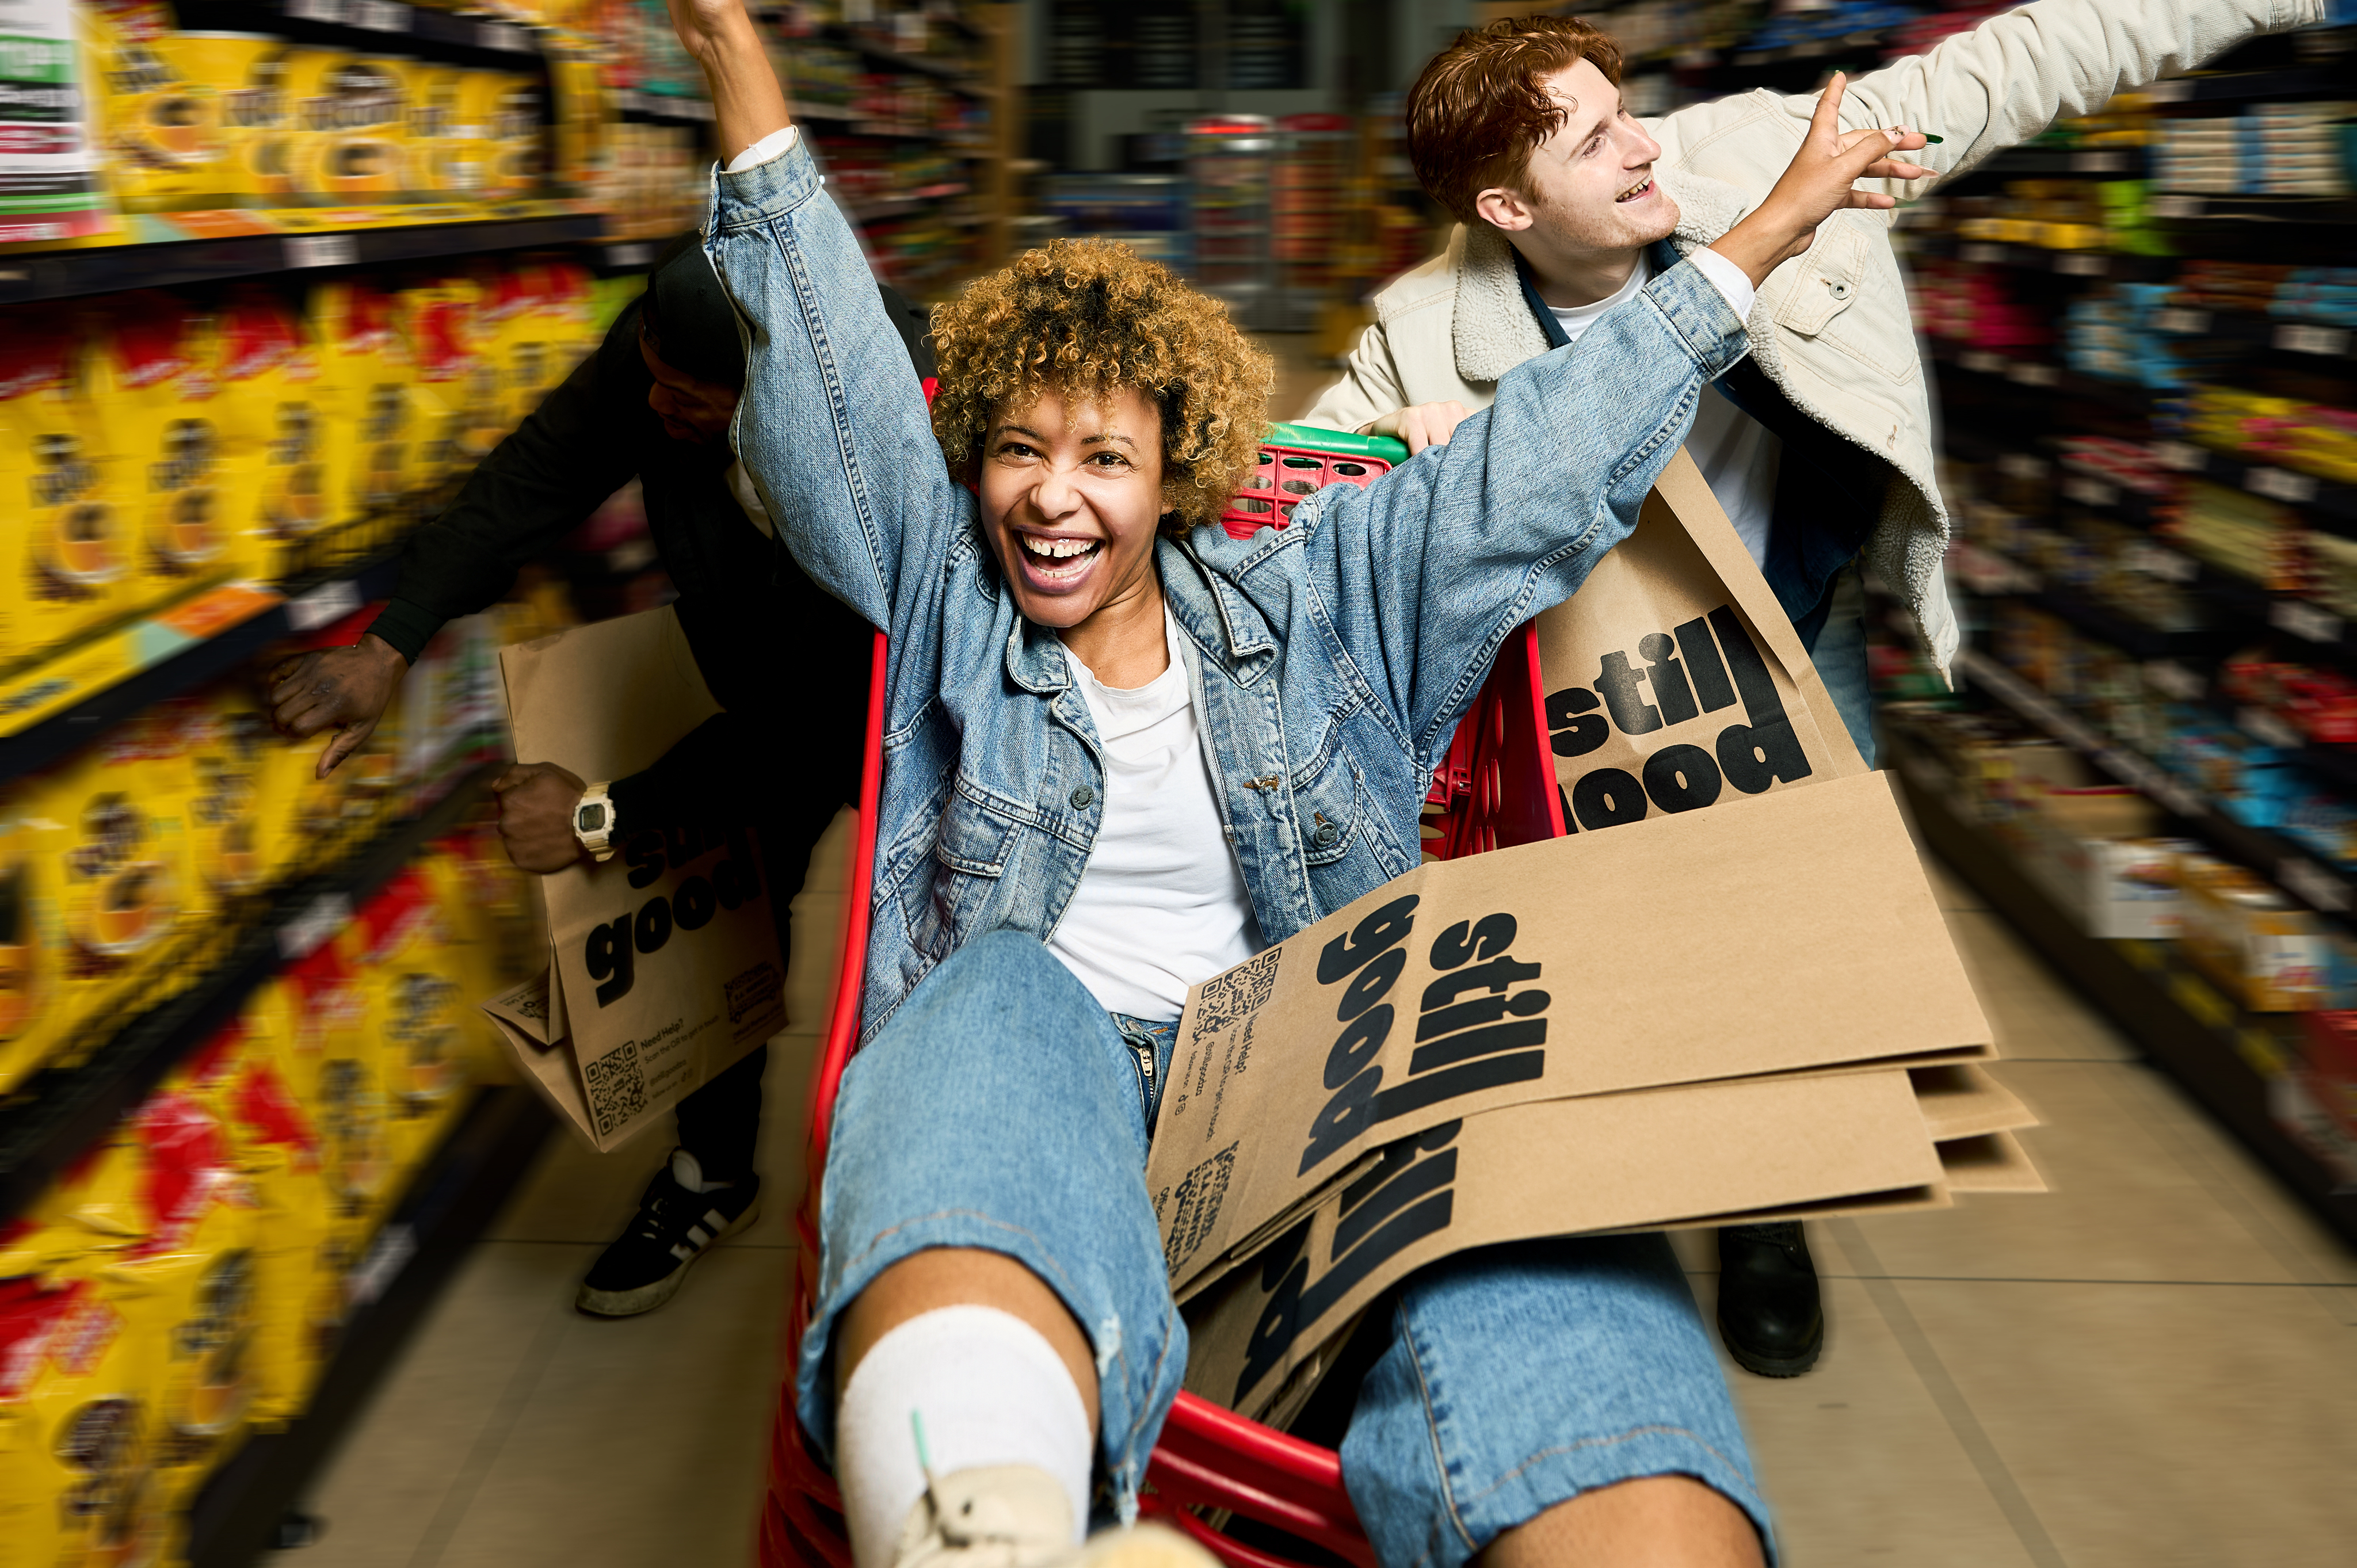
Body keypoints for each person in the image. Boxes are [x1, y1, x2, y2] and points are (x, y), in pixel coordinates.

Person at [667, 2, 1931, 1564]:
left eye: (1106, 458)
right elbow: (840, 406)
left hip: (1312, 1065)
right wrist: (734, 59)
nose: (1054, 496)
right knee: (978, 1003)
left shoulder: (1325, 591)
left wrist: (1780, 219)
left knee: (1520, 1171)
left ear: (1179, 472)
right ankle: (983, 1536)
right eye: (1017, 450)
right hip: (1042, 1047)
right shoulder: (947, 591)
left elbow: (1541, 462)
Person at [1301, 0, 2318, 1379]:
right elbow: (1304, 513)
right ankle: (1608, 1181)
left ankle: (1766, 1208)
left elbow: (2018, 63)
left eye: (1625, 102)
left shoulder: (1777, 155)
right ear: (1503, 205)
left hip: (1789, 616)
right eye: (1592, 137)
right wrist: (1399, 451)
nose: (1638, 142)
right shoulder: (1427, 330)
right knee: (1599, 932)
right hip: (1584, 656)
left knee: (1793, 919)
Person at [266, 234, 936, 1318]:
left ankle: (911, 1222)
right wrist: (389, 643)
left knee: (913, 954)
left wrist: (599, 811)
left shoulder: (885, 429)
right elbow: (535, 474)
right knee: (714, 897)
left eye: (693, 397)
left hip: (902, 708)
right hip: (751, 670)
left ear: (780, 387)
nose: (658, 408)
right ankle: (710, 1174)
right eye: (652, 374)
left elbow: (809, 725)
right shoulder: (667, 354)